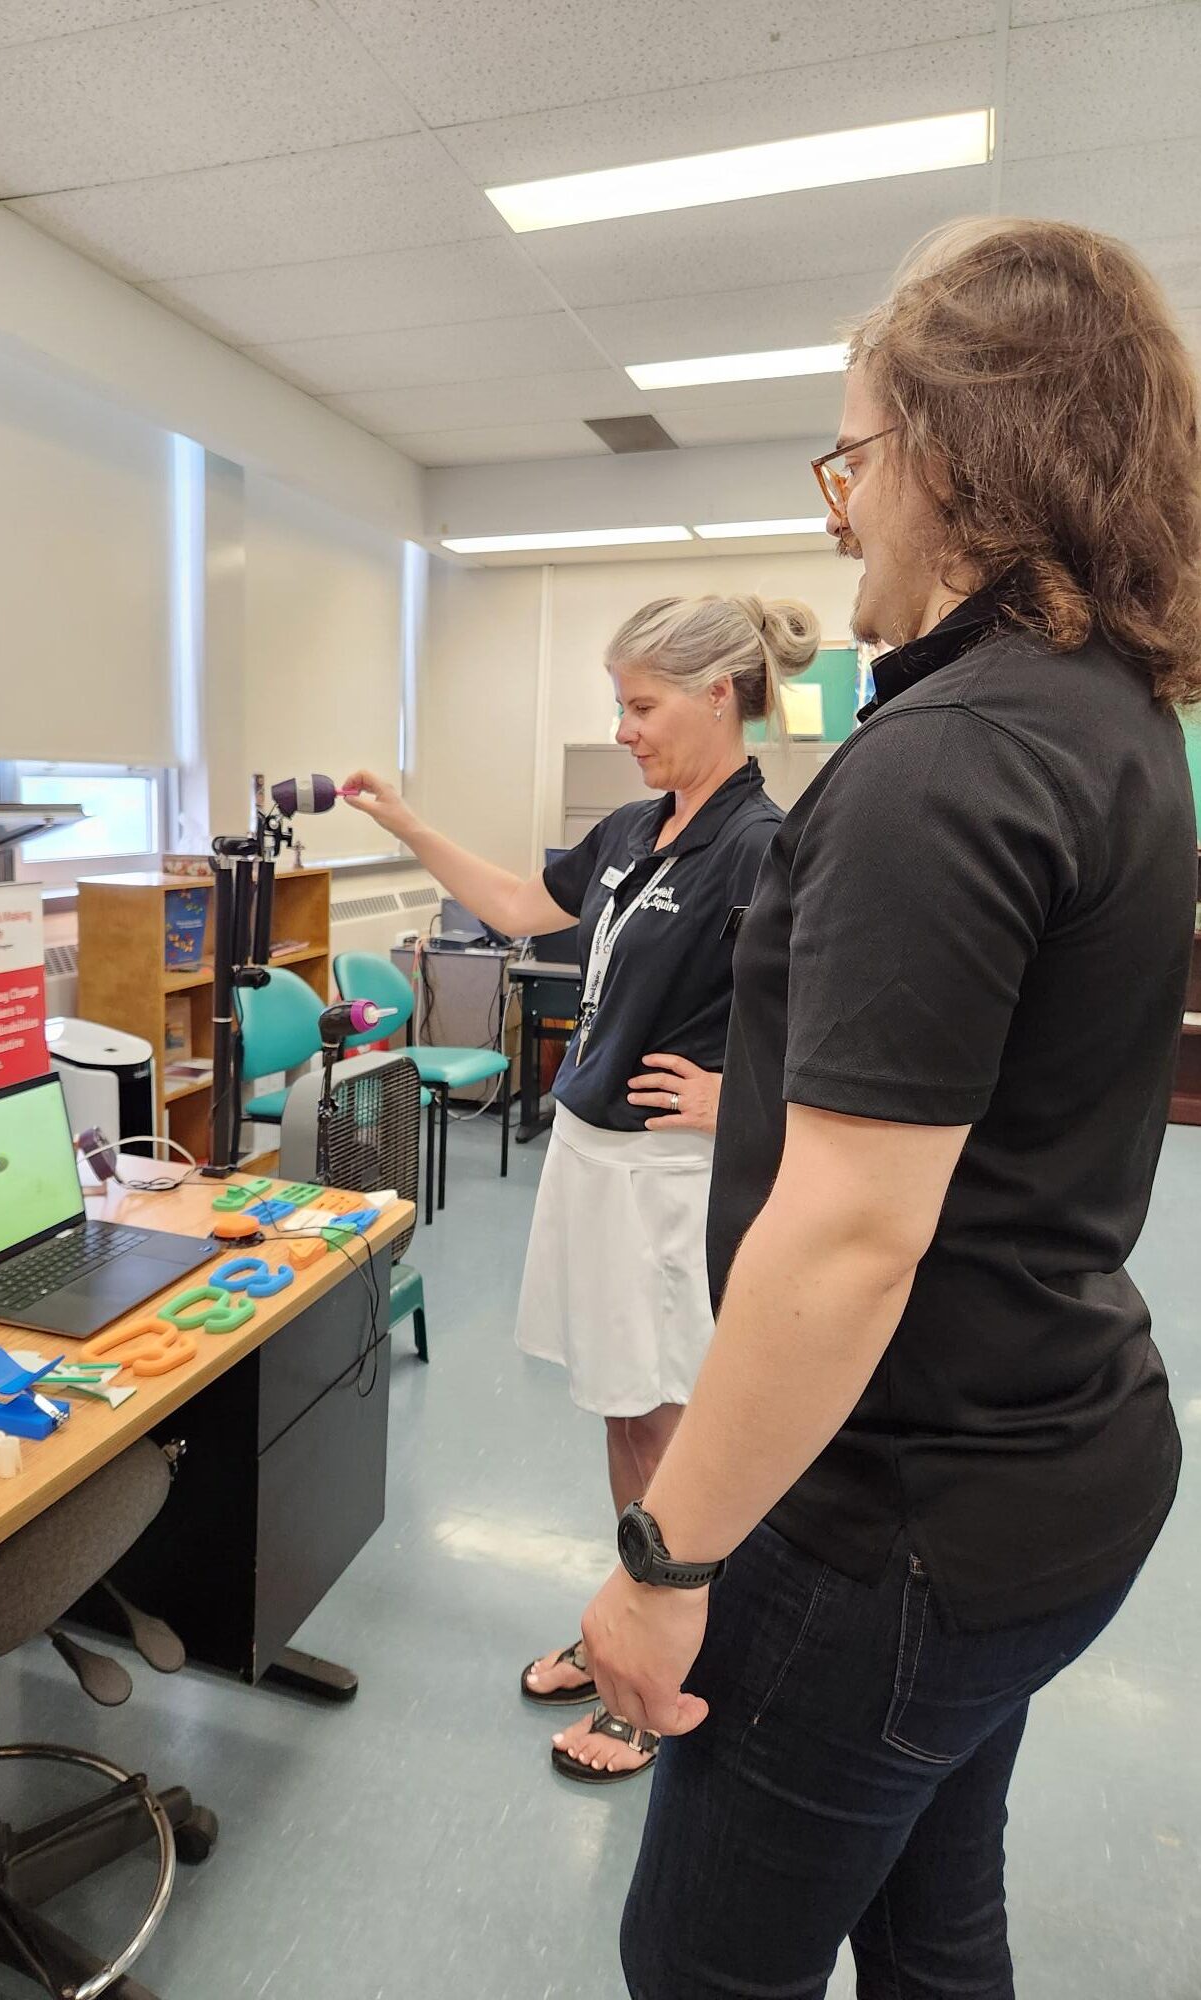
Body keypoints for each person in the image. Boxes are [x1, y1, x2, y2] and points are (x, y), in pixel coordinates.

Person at [577, 216, 1201, 1997]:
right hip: (1059, 1464)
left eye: (855, 454)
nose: (839, 507)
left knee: (703, 1964)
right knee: (937, 1920)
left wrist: (662, 1559)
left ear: (959, 453)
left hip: (899, 1528)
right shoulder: (1105, 720)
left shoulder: (944, 765)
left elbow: (849, 1240)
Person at [341, 591, 818, 1782]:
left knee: (669, 1422)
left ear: (722, 695)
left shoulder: (762, 846)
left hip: (671, 1178)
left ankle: (660, 1671)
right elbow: (516, 905)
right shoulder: (633, 828)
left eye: (642, 703)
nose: (624, 726)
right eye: (617, 703)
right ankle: (630, 1614)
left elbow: (841, 1013)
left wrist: (741, 1096)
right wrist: (406, 822)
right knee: (626, 1411)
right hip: (593, 1160)